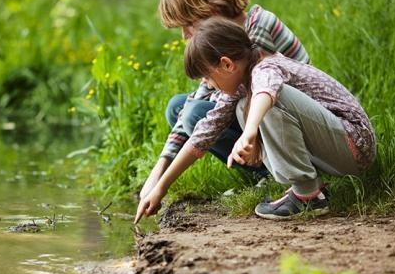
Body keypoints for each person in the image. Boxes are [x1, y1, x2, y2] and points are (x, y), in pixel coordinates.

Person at [135, 17, 375, 223]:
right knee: (242, 107)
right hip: (334, 148)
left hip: (354, 144)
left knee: (267, 103)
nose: (207, 85)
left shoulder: (266, 67)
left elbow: (266, 93)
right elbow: (202, 135)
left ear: (227, 64)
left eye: (207, 77)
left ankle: (308, 195)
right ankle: (312, 190)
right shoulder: (240, 86)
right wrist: (161, 187)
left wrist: (249, 133)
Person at [139, 0, 311, 203]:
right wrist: (157, 172)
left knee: (195, 115)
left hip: (293, 122)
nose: (185, 35)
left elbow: (222, 110)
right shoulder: (220, 41)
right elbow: (199, 98)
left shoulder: (255, 30)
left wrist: (164, 185)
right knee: (178, 108)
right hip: (255, 114)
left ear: (211, 8)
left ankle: (281, 173)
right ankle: (265, 173)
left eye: (187, 24)